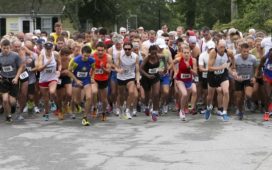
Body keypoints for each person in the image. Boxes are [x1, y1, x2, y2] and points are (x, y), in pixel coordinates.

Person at [205, 40, 235, 121]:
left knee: (225, 91)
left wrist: (233, 68)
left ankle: (224, 112)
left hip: (223, 75)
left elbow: (233, 57)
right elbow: (209, 68)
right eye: (220, 47)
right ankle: (208, 108)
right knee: (210, 96)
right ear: (217, 46)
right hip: (213, 75)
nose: (222, 49)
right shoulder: (213, 53)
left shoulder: (228, 52)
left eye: (223, 47)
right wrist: (221, 67)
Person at [68, 45, 95, 125]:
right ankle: (75, 108)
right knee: (76, 100)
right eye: (85, 55)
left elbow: (94, 69)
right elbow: (69, 71)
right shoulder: (75, 61)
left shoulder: (92, 60)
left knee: (89, 97)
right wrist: (76, 80)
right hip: (77, 80)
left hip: (86, 79)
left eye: (88, 55)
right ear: (81, 53)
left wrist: (92, 77)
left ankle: (85, 117)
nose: (86, 57)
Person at [0, 39, 24, 123]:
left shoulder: (15, 55)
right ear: (1, 47)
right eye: (4, 48)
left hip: (13, 79)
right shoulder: (0, 56)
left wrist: (17, 78)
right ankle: (8, 116)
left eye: (7, 48)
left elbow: (21, 66)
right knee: (5, 100)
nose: (6, 50)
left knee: (12, 101)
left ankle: (13, 106)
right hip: (4, 79)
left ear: (10, 48)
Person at [140, 45, 166, 121]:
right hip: (146, 78)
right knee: (147, 96)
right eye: (152, 54)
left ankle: (155, 111)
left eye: (155, 53)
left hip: (155, 77)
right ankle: (146, 106)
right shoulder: (146, 58)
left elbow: (164, 59)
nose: (153, 55)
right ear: (149, 53)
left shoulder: (159, 56)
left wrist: (164, 68)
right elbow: (141, 69)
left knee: (156, 94)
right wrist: (148, 75)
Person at [37, 41, 61, 121]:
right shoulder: (41, 56)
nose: (49, 50)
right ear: (44, 48)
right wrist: (47, 64)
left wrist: (59, 71)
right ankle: (46, 113)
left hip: (53, 78)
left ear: (52, 48)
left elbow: (60, 64)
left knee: (52, 92)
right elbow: (39, 69)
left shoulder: (56, 54)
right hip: (43, 79)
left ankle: (55, 103)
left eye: (50, 49)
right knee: (45, 99)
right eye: (47, 49)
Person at [115, 42, 140, 119]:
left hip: (130, 77)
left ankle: (128, 110)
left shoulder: (135, 56)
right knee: (121, 95)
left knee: (131, 92)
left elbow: (137, 71)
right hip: (121, 77)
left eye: (129, 49)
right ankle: (121, 108)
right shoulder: (119, 54)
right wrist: (118, 70)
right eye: (125, 49)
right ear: (123, 49)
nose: (127, 50)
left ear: (132, 49)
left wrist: (138, 81)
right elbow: (116, 66)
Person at [173, 45, 197, 121]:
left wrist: (189, 68)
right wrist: (175, 71)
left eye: (187, 52)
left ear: (190, 53)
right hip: (180, 80)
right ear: (182, 53)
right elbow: (171, 63)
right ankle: (182, 111)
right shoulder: (179, 59)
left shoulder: (193, 60)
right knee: (184, 94)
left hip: (189, 81)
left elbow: (195, 74)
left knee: (186, 97)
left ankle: (184, 108)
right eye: (184, 53)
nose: (186, 54)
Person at [234, 43, 257, 120]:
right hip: (239, 79)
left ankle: (248, 101)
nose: (246, 53)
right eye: (244, 51)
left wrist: (254, 77)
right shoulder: (236, 58)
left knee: (248, 94)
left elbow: (256, 68)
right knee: (239, 98)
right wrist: (235, 75)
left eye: (247, 51)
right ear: (240, 50)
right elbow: (231, 68)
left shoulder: (253, 58)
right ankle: (240, 110)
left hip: (248, 79)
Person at [93, 42, 112, 121]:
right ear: (96, 50)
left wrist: (102, 67)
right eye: (98, 50)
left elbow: (108, 71)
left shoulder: (108, 57)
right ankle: (95, 107)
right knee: (94, 92)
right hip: (94, 78)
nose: (100, 52)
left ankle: (103, 112)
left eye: (102, 50)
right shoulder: (92, 56)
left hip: (104, 79)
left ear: (105, 50)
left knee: (104, 99)